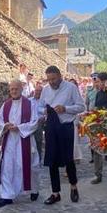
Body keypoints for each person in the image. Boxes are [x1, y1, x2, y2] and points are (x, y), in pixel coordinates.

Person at [39, 65, 85, 205]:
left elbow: (81, 107)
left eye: (53, 79)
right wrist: (44, 111)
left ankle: (73, 186)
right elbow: (40, 106)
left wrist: (66, 108)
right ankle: (55, 193)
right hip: (52, 127)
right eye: (49, 79)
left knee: (68, 159)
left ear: (60, 76)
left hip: (66, 126)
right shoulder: (46, 90)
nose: (51, 82)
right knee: (51, 159)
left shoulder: (71, 88)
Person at [0, 80, 41, 207]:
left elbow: (35, 122)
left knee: (30, 166)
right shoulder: (6, 104)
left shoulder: (30, 104)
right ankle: (7, 195)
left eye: (16, 88)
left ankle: (33, 189)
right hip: (9, 140)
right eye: (11, 89)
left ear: (22, 89)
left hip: (24, 139)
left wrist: (19, 128)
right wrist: (5, 125)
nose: (13, 91)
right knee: (7, 167)